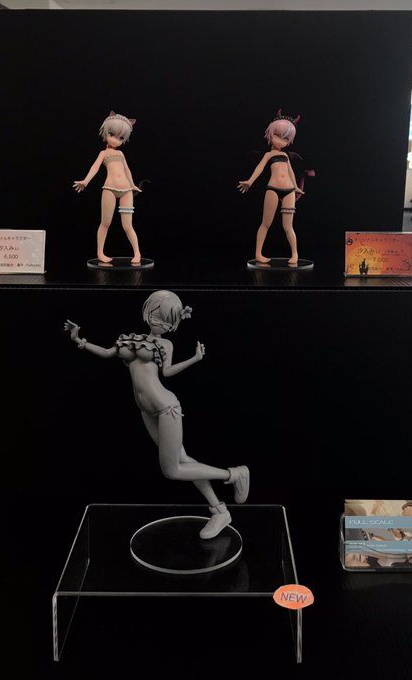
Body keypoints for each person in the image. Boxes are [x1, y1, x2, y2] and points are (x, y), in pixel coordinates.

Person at [64, 290, 250, 540]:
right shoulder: (130, 339)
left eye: (165, 320)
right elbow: (107, 353)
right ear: (147, 312)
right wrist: (79, 340)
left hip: (165, 407)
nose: (157, 321)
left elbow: (168, 372)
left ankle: (233, 474)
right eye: (155, 314)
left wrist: (194, 359)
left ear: (172, 325)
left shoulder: (166, 344)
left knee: (172, 470)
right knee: (183, 461)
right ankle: (220, 511)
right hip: (147, 411)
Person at [73, 111, 142, 264]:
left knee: (128, 225)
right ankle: (100, 252)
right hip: (110, 189)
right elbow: (95, 167)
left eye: (121, 138)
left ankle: (137, 252)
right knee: (105, 223)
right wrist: (86, 181)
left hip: (126, 191)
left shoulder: (121, 154)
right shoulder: (103, 153)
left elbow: (127, 171)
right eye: (112, 134)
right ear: (106, 132)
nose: (116, 140)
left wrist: (132, 185)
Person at [238, 110, 305, 264]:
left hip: (289, 191)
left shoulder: (286, 156)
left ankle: (295, 254)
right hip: (273, 189)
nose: (281, 141)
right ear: (270, 134)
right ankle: (258, 253)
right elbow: (259, 168)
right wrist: (250, 181)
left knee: (288, 226)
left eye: (285, 138)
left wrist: (295, 187)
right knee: (266, 223)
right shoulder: (268, 155)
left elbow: (291, 172)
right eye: (277, 135)